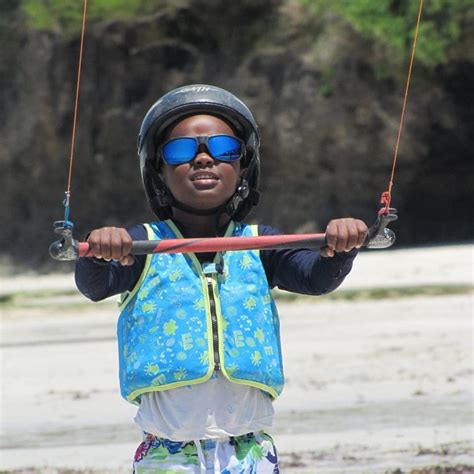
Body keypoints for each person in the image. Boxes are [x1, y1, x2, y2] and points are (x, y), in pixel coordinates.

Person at [75, 84, 368, 473]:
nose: (203, 160)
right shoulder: (140, 245)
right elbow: (95, 285)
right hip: (168, 454)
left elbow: (316, 277)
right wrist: (99, 251)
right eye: (182, 151)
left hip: (249, 453)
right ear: (158, 170)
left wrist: (341, 247)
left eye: (223, 149)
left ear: (243, 165)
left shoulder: (262, 243)